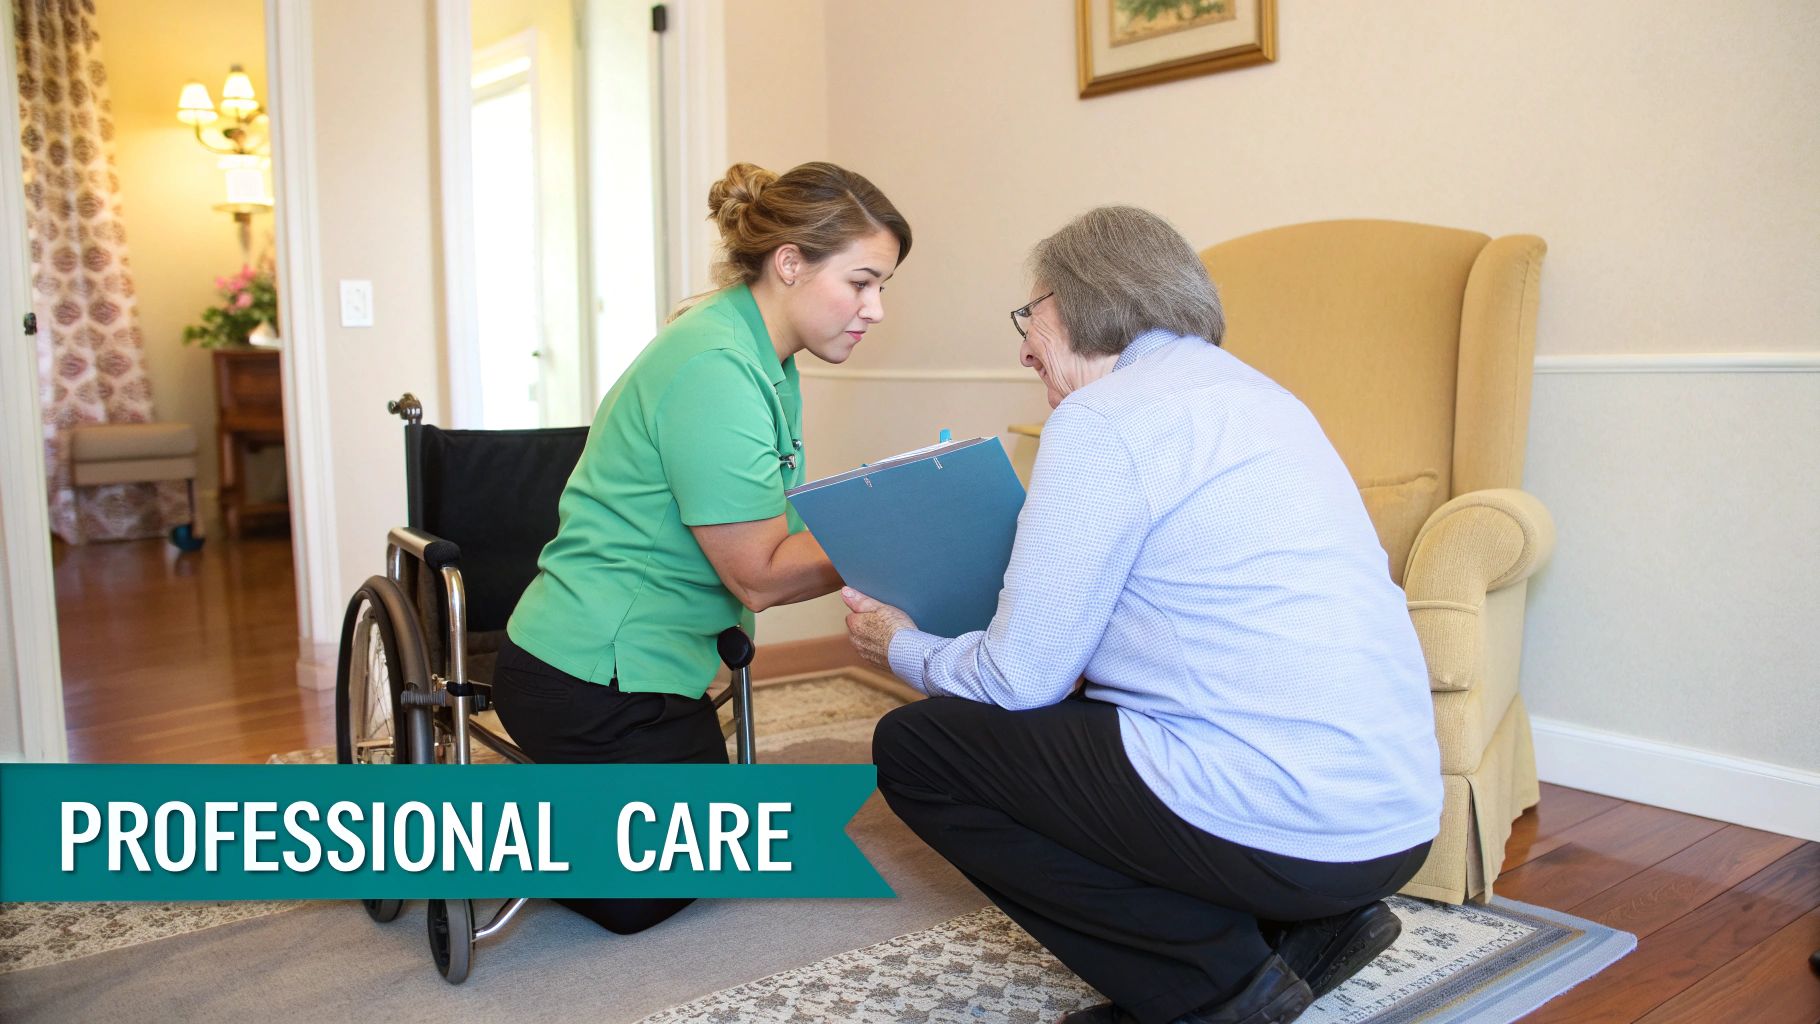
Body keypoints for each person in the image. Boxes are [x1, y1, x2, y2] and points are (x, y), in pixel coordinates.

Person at [843, 206, 1440, 1024]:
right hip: (1392, 828)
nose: (1023, 345)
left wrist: (898, 644)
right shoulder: (1256, 393)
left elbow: (1019, 681)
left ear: (1089, 297)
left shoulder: (1103, 417)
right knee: (1080, 713)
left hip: (1298, 833)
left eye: (1033, 314)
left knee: (920, 748)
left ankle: (1219, 986)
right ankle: (1303, 930)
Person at [494, 161, 911, 935]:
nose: (875, 308)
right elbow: (757, 576)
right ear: (790, 262)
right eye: (861, 283)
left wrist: (877, 510)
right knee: (647, 896)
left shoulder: (763, 355)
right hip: (590, 675)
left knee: (721, 848)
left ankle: (574, 804)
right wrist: (890, 523)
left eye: (881, 286)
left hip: (658, 670)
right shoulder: (714, 365)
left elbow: (767, 528)